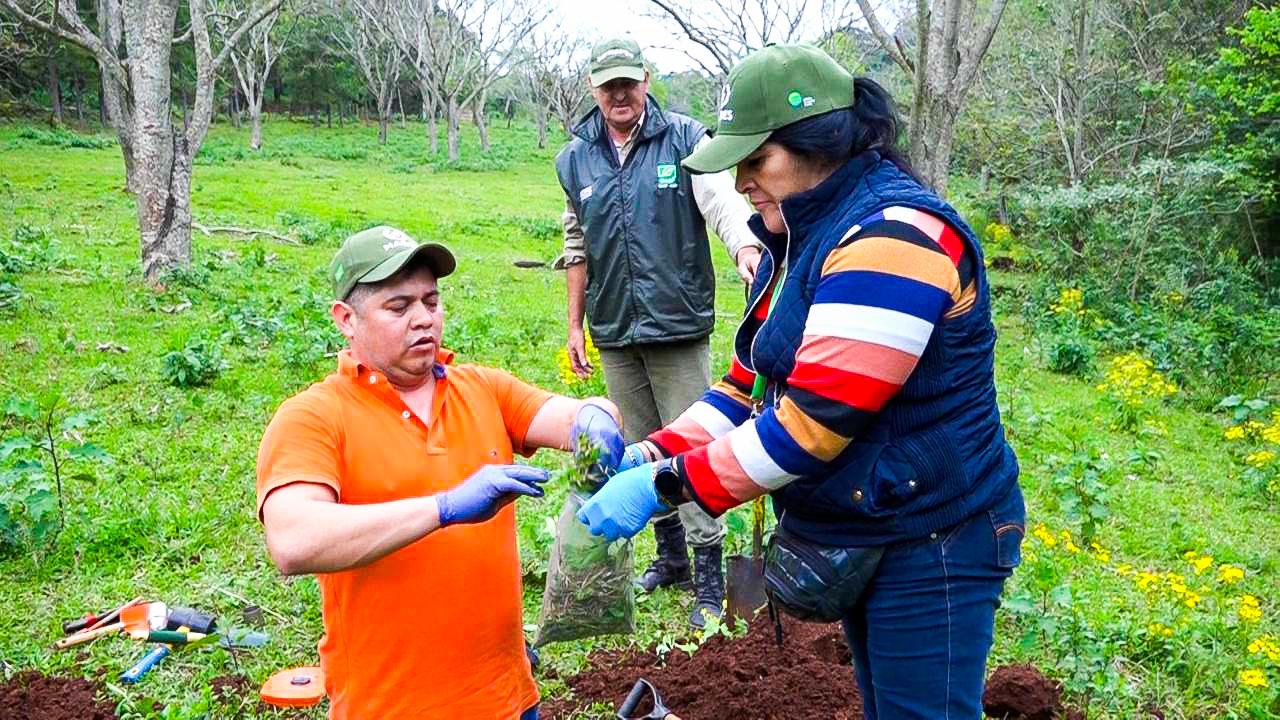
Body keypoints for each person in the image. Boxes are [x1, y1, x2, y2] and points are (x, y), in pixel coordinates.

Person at [577, 45, 1025, 719]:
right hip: (870, 520)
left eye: (758, 160)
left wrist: (668, 486)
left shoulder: (892, 239)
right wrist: (650, 452)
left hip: (933, 534)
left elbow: (808, 428)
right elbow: (745, 388)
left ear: (821, 142)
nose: (743, 181)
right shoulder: (796, 238)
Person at [256, 226, 624, 720]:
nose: (423, 319)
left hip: (508, 701)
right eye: (398, 306)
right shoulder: (314, 417)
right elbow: (294, 541)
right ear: (346, 319)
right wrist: (444, 508)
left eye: (431, 301)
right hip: (391, 707)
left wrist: (597, 417)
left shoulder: (481, 389)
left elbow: (572, 415)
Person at [554, 37, 762, 627]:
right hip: (615, 328)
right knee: (640, 446)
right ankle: (669, 560)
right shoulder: (576, 157)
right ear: (593, 88)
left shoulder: (684, 138)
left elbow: (720, 201)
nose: (619, 94)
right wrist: (576, 324)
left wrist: (746, 245)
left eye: (629, 81)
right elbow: (575, 243)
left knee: (690, 444)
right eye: (608, 84)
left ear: (646, 79)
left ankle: (707, 578)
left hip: (677, 326)